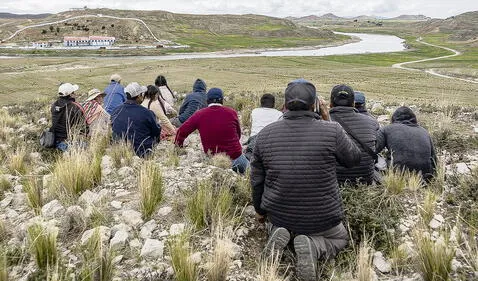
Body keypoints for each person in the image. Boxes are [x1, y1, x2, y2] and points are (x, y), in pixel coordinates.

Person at [251, 79, 361, 281]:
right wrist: (328, 120)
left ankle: (278, 233)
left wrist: (259, 211)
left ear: (284, 105)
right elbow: (353, 160)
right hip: (323, 217)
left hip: (279, 213)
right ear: (315, 105)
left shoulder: (264, 135)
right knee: (340, 238)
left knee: (275, 222)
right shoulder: (332, 130)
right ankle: (315, 245)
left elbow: (257, 180)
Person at [174, 88, 249, 174]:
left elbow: (182, 130)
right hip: (236, 157)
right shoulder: (232, 112)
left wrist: (178, 147)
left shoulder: (199, 114)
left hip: (213, 160)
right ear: (222, 100)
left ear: (207, 101)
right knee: (253, 173)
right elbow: (238, 134)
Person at [329, 84, 379, 185]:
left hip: (333, 183)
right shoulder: (372, 122)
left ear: (330, 103)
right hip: (365, 181)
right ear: (353, 103)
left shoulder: (322, 122)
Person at [376, 106, 437, 182]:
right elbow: (434, 159)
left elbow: (373, 149)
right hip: (424, 177)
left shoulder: (386, 129)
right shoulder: (424, 132)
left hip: (398, 176)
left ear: (393, 118)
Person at [111, 82, 161, 158]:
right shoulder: (147, 113)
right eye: (142, 94)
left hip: (121, 151)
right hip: (143, 151)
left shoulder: (116, 111)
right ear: (138, 96)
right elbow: (156, 132)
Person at [50, 83, 88, 151]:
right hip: (66, 142)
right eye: (74, 92)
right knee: (87, 146)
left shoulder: (54, 105)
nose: (75, 94)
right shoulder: (75, 107)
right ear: (70, 94)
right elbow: (85, 128)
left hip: (53, 140)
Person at [244, 94, 283, 160]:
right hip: (271, 141)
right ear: (273, 104)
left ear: (261, 103)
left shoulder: (255, 111)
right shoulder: (279, 114)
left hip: (255, 140)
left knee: (251, 156)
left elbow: (251, 126)